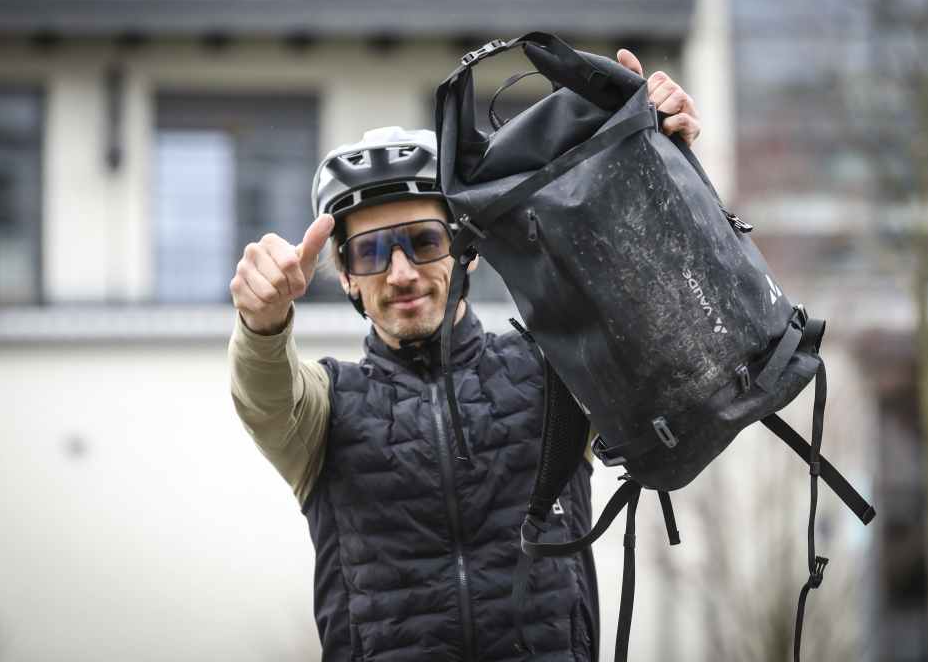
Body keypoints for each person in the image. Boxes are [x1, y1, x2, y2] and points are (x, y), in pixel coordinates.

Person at [228, 50, 701, 661]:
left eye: (424, 242)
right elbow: (264, 392)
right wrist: (262, 323)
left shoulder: (554, 368)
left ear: (467, 249)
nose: (400, 273)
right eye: (372, 253)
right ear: (345, 276)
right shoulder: (323, 408)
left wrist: (662, 170)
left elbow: (667, 333)